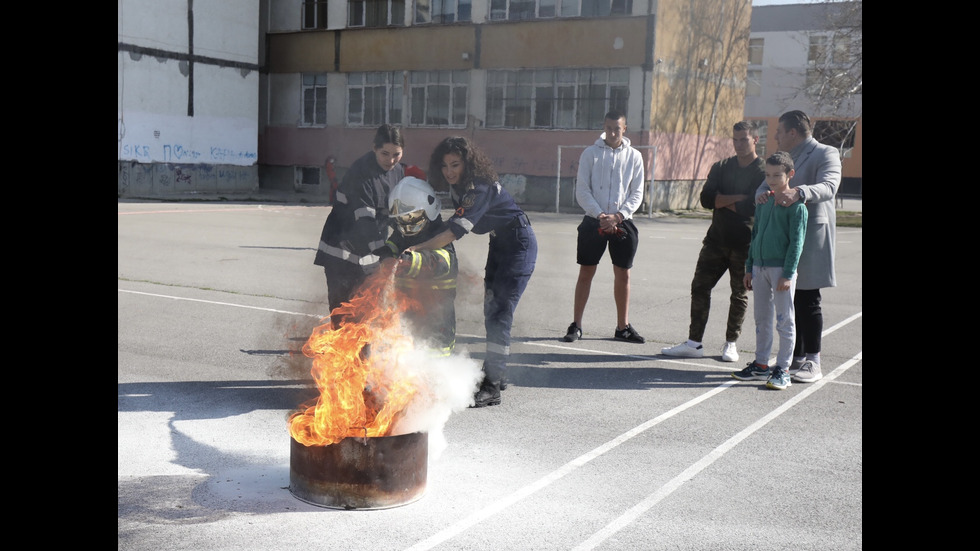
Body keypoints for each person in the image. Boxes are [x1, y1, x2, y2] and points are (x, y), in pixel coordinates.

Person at [406, 136, 538, 408]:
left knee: (500, 312)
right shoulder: (460, 188)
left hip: (518, 244)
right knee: (492, 310)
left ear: (468, 163)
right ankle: (497, 373)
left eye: (455, 164)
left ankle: (492, 386)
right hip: (500, 242)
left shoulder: (479, 188)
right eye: (444, 166)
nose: (449, 172)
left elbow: (454, 231)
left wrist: (418, 247)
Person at [661, 121, 766, 362]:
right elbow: (706, 199)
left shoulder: (761, 171)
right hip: (715, 241)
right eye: (735, 139)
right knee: (699, 287)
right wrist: (736, 200)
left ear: (755, 140)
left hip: (745, 244)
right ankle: (694, 342)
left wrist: (725, 200)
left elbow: (752, 204)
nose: (739, 144)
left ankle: (731, 343)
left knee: (739, 294)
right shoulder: (721, 166)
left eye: (744, 139)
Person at [754, 110, 841, 384]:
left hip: (812, 234)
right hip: (782, 238)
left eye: (779, 131)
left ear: (793, 132)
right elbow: (761, 187)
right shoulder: (782, 160)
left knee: (808, 298)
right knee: (790, 298)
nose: (775, 136)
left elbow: (829, 186)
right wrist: (762, 195)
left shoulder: (825, 152)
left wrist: (800, 192)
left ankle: (813, 360)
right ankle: (796, 356)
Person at [312, 124, 425, 328]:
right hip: (341, 250)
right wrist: (383, 255)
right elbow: (365, 221)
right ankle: (342, 357)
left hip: (370, 248)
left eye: (396, 154)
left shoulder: (398, 171)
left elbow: (396, 212)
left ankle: (364, 356)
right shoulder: (361, 172)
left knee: (369, 310)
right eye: (385, 153)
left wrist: (409, 241)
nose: (390, 160)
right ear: (374, 148)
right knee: (344, 312)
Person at [562, 109, 646, 345]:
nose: (611, 132)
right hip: (593, 221)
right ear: (604, 127)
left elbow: (637, 193)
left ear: (624, 129)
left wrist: (618, 216)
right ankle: (576, 325)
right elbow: (582, 190)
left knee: (623, 273)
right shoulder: (590, 154)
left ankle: (623, 327)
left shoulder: (634, 157)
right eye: (608, 128)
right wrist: (600, 215)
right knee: (586, 272)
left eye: (616, 128)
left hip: (622, 222)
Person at [732, 151, 807, 390]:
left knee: (785, 320)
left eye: (777, 175)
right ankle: (761, 364)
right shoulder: (763, 202)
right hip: (759, 267)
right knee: (761, 318)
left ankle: (783, 369)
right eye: (768, 174)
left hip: (781, 271)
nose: (772, 179)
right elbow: (755, 235)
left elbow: (797, 243)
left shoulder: (797, 208)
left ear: (790, 175)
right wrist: (748, 268)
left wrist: (788, 273)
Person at [380, 176, 458, 357]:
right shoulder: (402, 234)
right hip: (406, 312)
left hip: (436, 319)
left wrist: (410, 261)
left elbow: (440, 262)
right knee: (403, 360)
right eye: (402, 219)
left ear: (429, 210)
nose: (407, 224)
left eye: (411, 216)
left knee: (434, 363)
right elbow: (392, 244)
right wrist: (386, 255)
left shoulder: (441, 236)